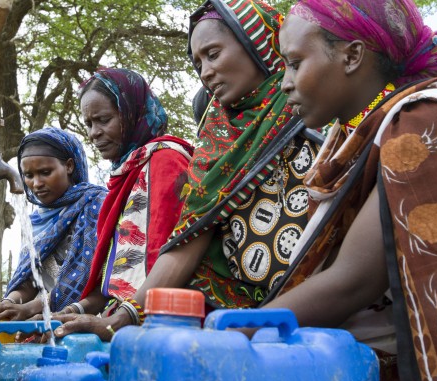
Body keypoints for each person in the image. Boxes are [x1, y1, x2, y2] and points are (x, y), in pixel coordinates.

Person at [52, 0, 323, 340]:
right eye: (197, 63)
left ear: (256, 43)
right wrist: (122, 317)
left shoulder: (314, 107)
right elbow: (191, 234)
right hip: (240, 319)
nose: (206, 72)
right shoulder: (218, 135)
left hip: (325, 309)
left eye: (213, 54)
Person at [261, 0, 437, 381]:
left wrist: (222, 331)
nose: (284, 83)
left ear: (352, 56)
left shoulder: (423, 120)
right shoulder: (357, 137)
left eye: (295, 62)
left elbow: (352, 281)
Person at [41, 68, 193, 337]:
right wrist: (75, 310)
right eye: (88, 124)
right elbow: (114, 280)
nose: (93, 133)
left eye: (103, 120)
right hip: (125, 321)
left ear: (131, 113)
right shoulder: (127, 174)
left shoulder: (165, 162)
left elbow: (165, 264)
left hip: (161, 328)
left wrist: (118, 320)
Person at [0, 127, 107, 320]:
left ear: (69, 166)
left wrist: (32, 308)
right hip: (41, 324)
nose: (36, 183)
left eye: (45, 172)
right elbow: (30, 280)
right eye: (28, 175)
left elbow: (101, 283)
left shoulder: (98, 205)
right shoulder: (36, 220)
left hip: (90, 323)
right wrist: (9, 303)